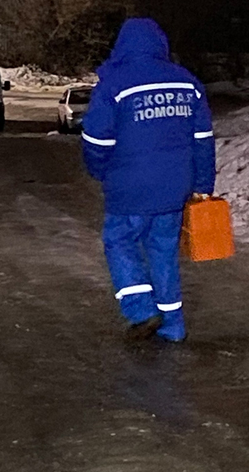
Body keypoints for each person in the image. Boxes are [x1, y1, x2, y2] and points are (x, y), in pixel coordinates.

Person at [81, 18, 216, 343]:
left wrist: (99, 170)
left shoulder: (114, 83)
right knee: (163, 252)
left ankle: (141, 310)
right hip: (174, 188)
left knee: (120, 241)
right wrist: (203, 185)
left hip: (129, 187)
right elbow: (203, 139)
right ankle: (173, 326)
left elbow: (96, 139)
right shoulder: (188, 83)